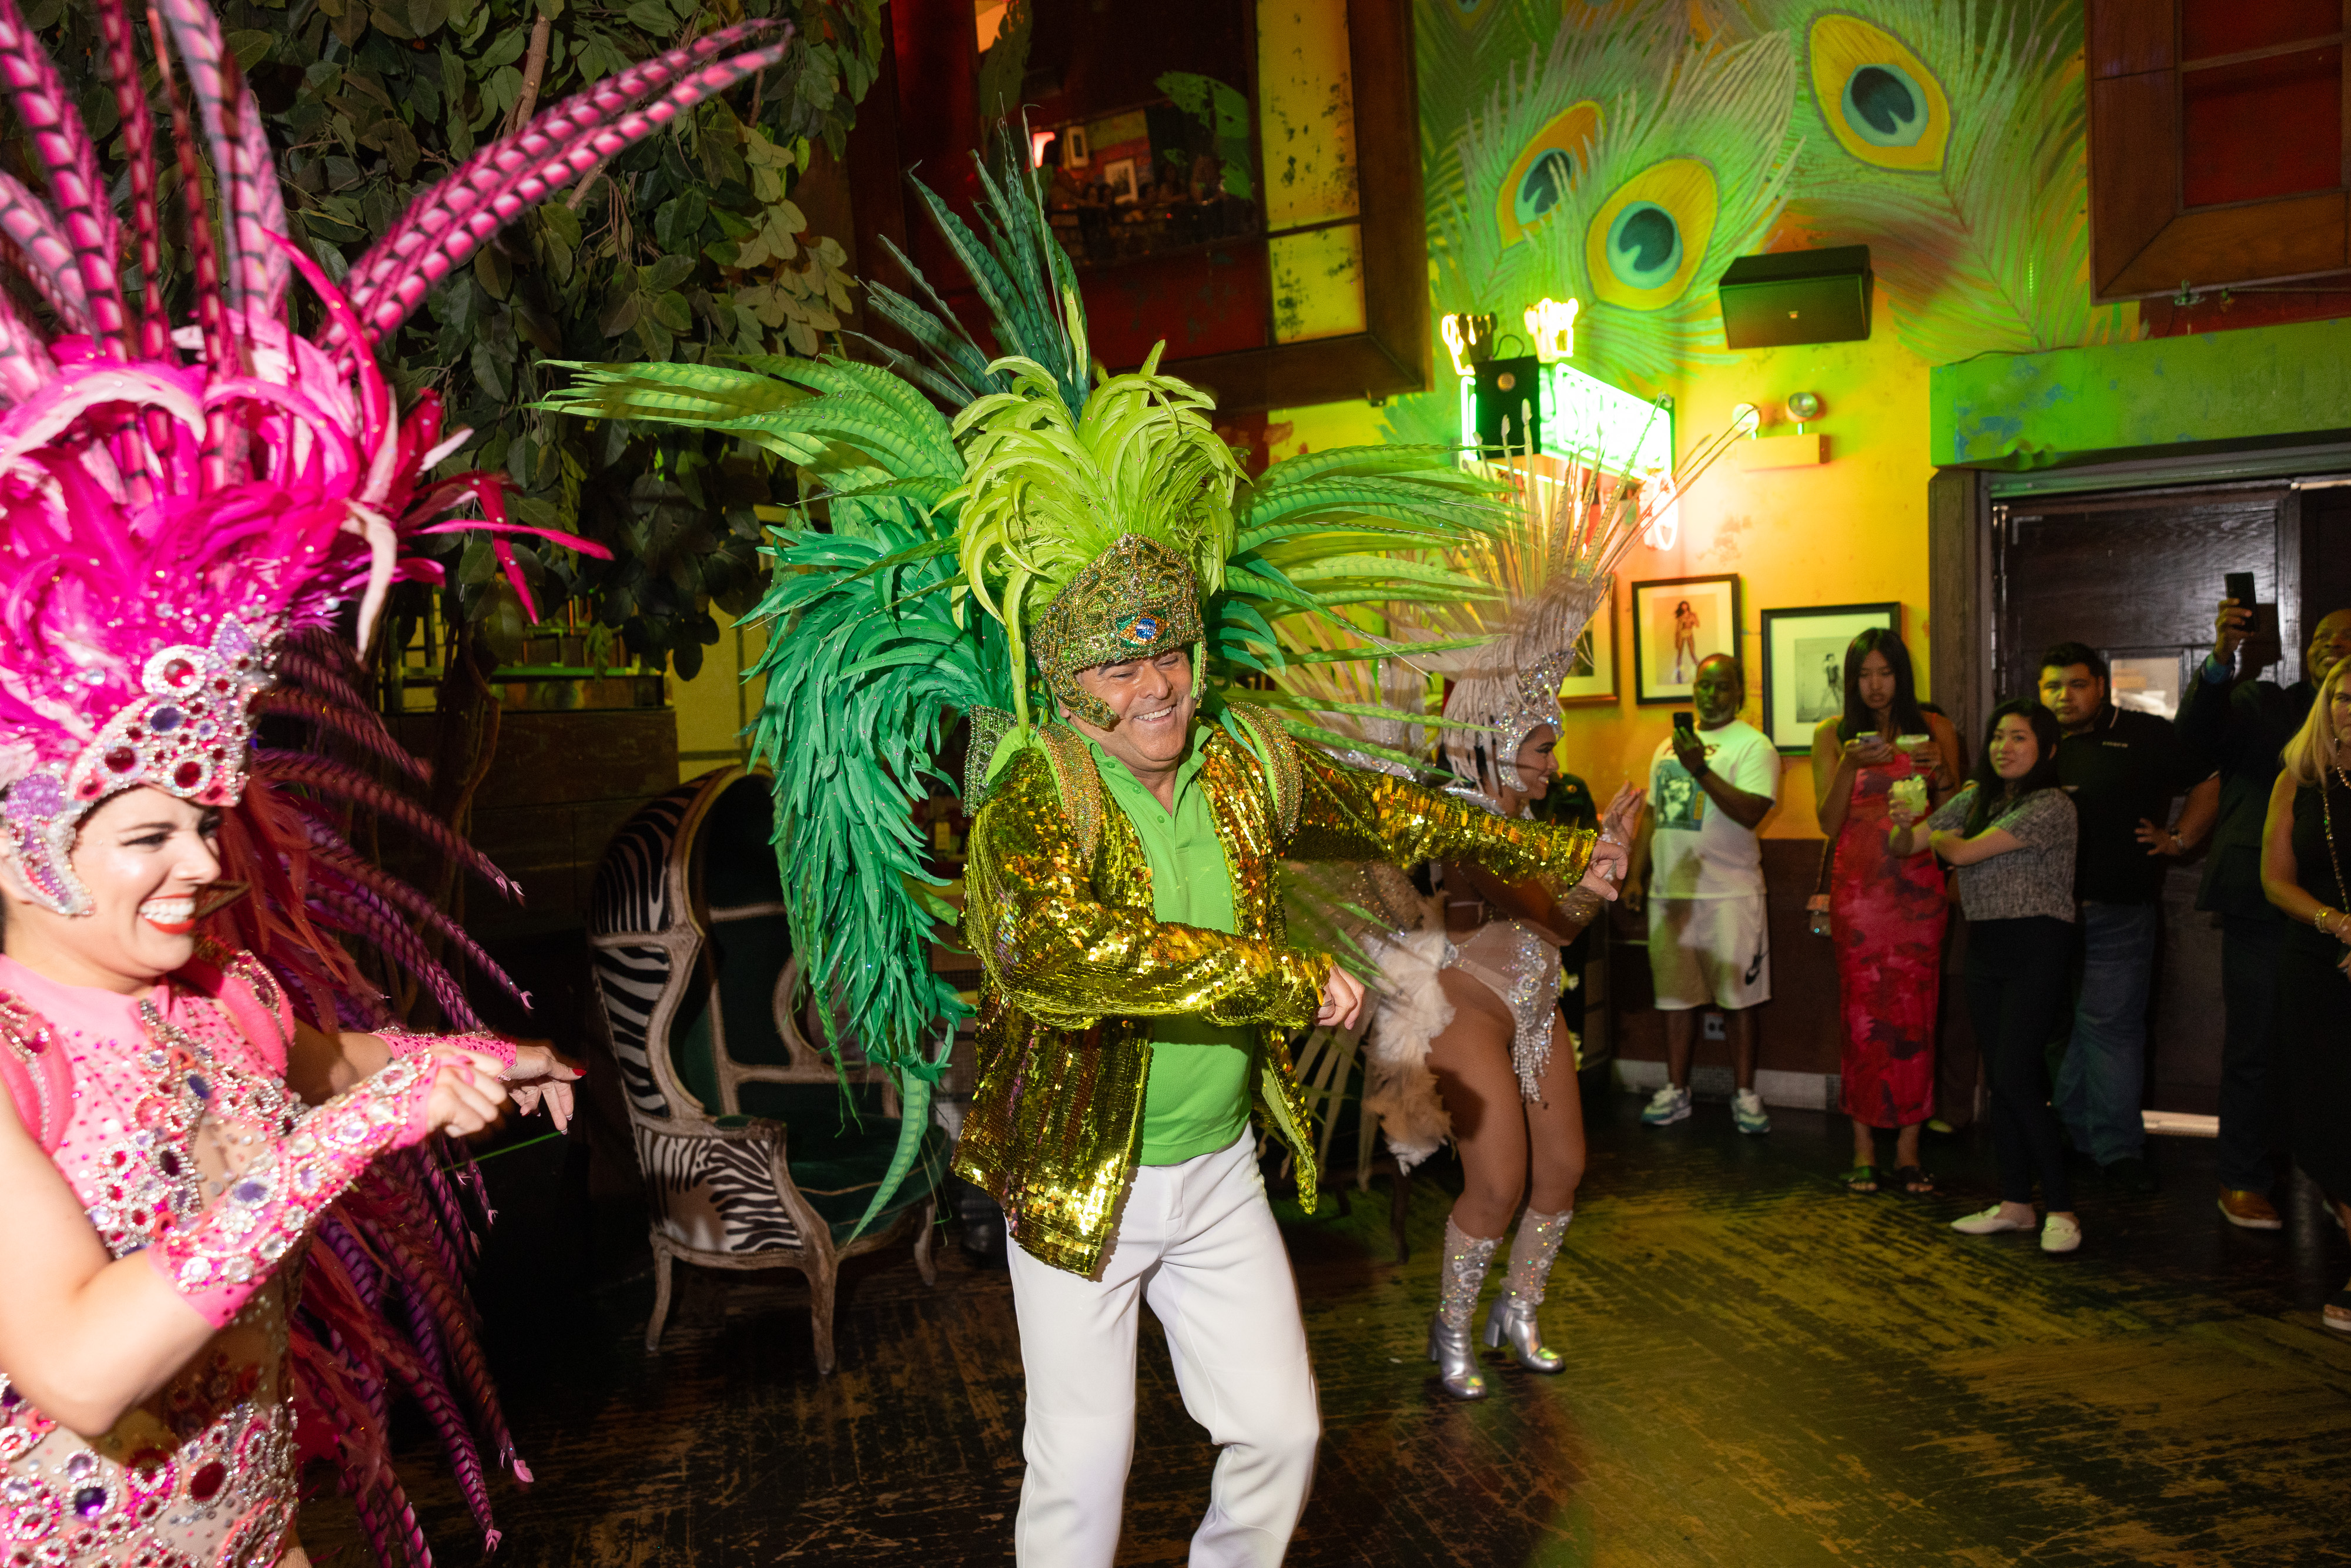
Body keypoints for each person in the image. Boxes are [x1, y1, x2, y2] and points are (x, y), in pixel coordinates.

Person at [0, 12, 788, 1561]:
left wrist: (450, 1063)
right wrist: (345, 1139)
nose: (198, 867)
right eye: (148, 832)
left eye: (209, 821)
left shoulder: (207, 992)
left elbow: (324, 1058)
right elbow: (81, 1360)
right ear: (22, 840)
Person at [2179, 596, 2351, 1229]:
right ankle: (2243, 1178)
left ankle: (2339, 1185)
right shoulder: (2264, 704)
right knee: (2254, 1043)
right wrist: (2223, 658)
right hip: (2262, 903)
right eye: (2323, 636)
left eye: (2347, 637)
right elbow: (2195, 736)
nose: (2331, 643)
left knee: (2334, 1054)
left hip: (2339, 907)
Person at [1890, 701, 2082, 1254]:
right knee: (2001, 1080)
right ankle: (2018, 1204)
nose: (2005, 748)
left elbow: (1966, 852)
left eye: (2019, 738)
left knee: (2019, 1077)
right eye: (1999, 737)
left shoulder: (2052, 805)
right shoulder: (1977, 797)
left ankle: (2064, 1208)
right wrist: (1903, 821)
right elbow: (1906, 846)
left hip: (2039, 946)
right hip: (1987, 947)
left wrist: (1946, 842)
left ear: (2046, 749)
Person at [1810, 629, 1964, 1195]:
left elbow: (1953, 816)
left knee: (1918, 1017)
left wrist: (1942, 774)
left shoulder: (1936, 728)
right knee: (1861, 1019)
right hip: (1859, 893)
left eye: (1885, 674)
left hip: (1919, 894)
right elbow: (1828, 823)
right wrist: (1850, 764)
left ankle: (1908, 1151)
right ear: (1851, 682)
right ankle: (1862, 1150)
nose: (1875, 687)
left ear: (1903, 675)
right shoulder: (1832, 735)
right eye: (1864, 676)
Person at [2037, 643, 2191, 1194]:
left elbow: (2210, 777)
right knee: (2065, 1032)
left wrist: (2180, 839)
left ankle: (2119, 1149)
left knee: (2111, 1030)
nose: (2064, 696)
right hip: (2044, 912)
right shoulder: (2035, 740)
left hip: (2118, 908)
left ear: (2100, 687)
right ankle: (2075, 1133)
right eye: (2052, 686)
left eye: (2076, 685)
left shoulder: (2145, 733)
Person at [1627, 654, 1781, 1134]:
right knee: (1675, 999)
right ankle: (1677, 1091)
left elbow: (1753, 812)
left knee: (1739, 1000)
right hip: (1671, 893)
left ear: (1739, 694)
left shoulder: (1754, 747)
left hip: (1731, 894)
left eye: (1722, 687)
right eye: (1704, 685)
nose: (1711, 695)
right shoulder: (1665, 749)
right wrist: (1635, 876)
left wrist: (1700, 769)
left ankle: (1745, 1094)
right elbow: (1652, 815)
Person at [2254, 661, 2351, 1333]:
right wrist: (2337, 923)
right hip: (2317, 964)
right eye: (2343, 696)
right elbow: (2274, 881)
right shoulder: (2298, 781)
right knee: (2325, 1120)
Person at [1673, 599, 1700, 683]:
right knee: (1680, 654)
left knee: (1692, 653)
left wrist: (1695, 618)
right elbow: (1678, 629)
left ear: (1688, 606)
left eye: (1685, 605)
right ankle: (1678, 674)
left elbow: (1697, 625)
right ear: (1681, 607)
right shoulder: (1681, 617)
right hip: (1682, 635)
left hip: (1689, 634)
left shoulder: (1692, 615)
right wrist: (1677, 640)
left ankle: (1700, 671)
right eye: (1683, 606)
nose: (1684, 607)